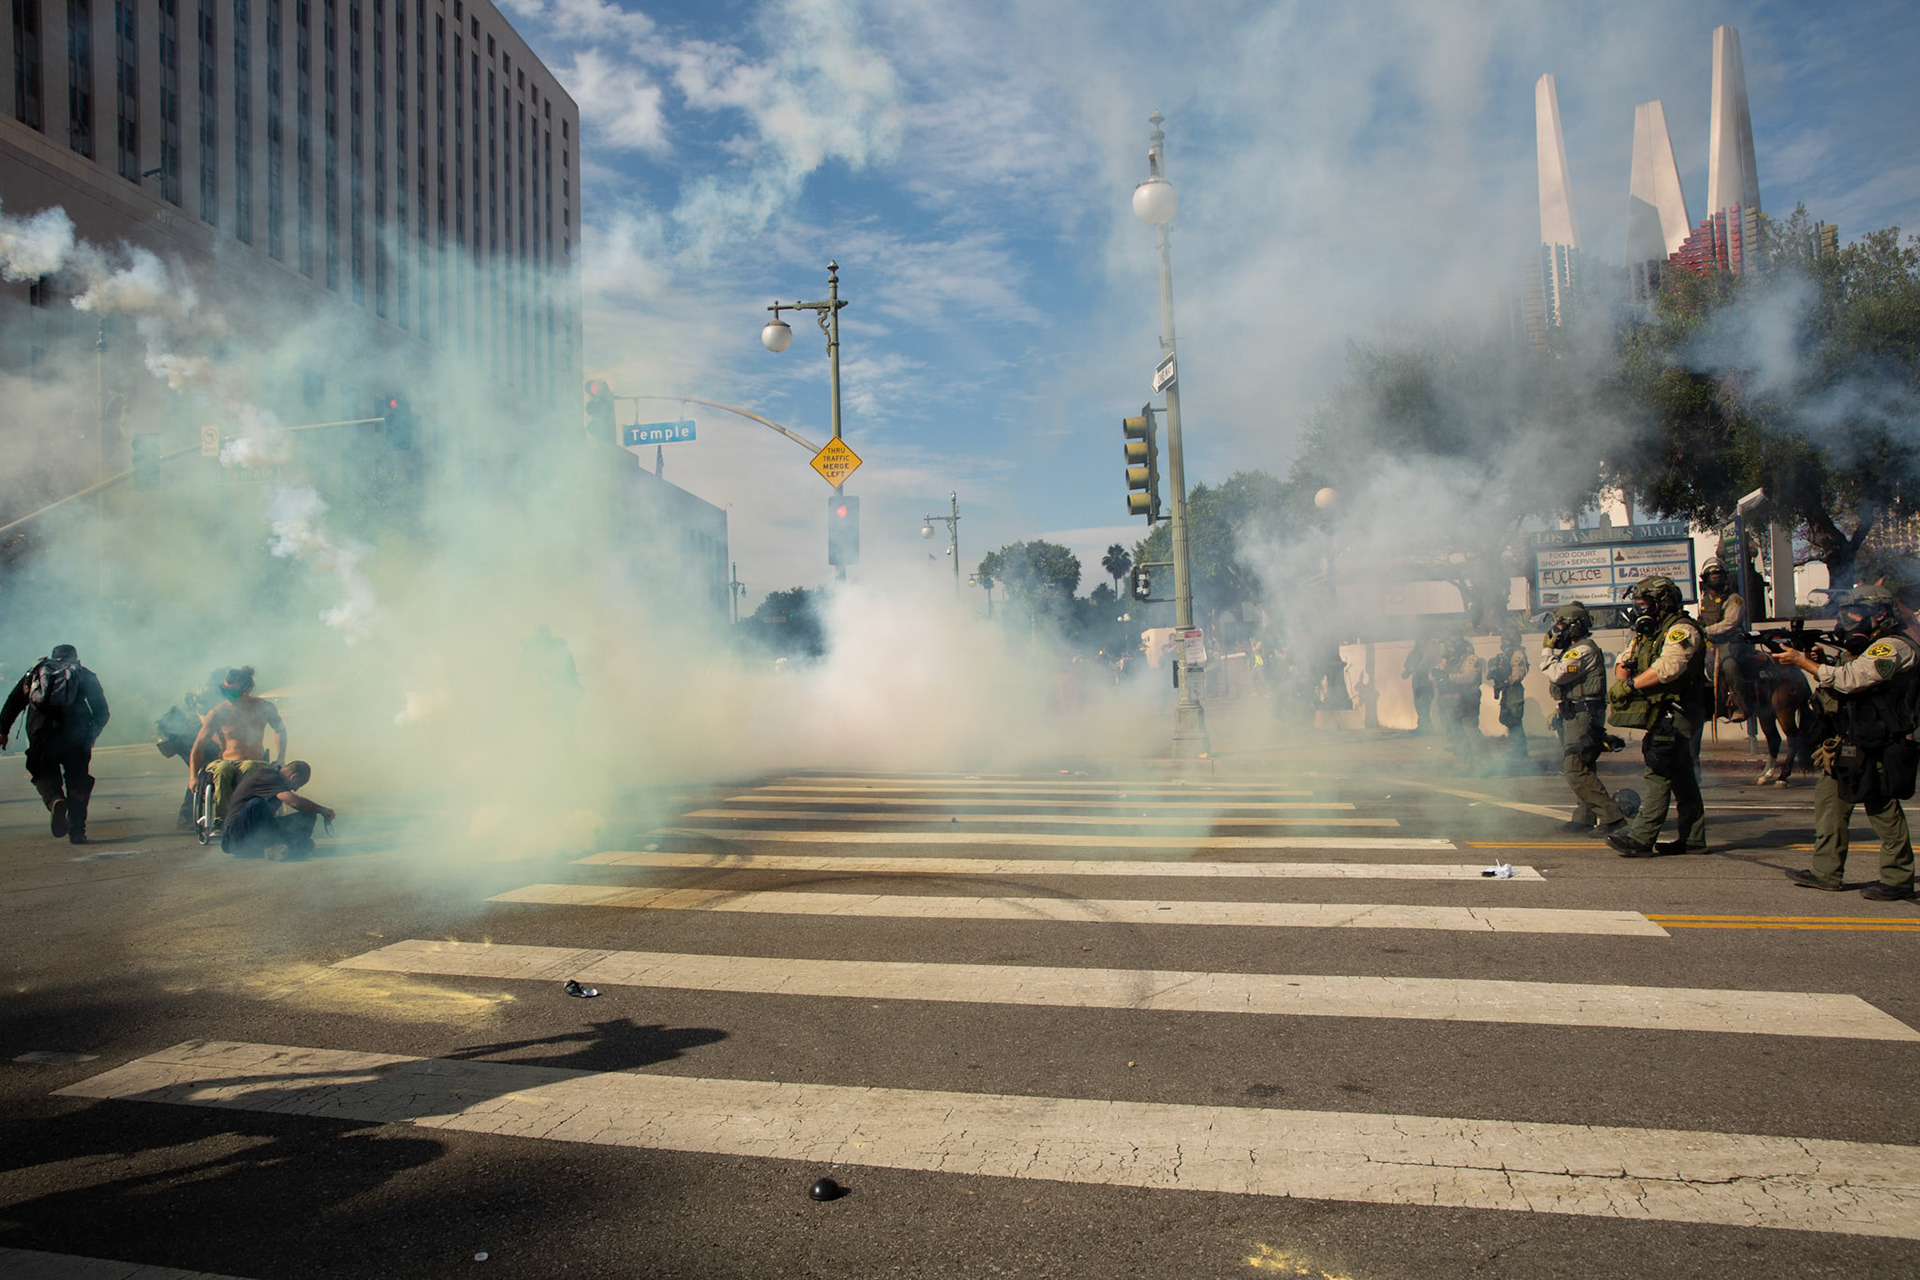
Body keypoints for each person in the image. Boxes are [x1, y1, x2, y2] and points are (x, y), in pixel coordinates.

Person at [1779, 586, 1920, 899]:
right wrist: (1820, 662)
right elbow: (1842, 679)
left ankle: (1898, 879)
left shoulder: (1893, 647)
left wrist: (1804, 663)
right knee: (1830, 802)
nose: (1847, 620)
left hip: (1881, 740)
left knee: (1881, 805)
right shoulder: (1869, 646)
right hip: (1851, 738)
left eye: (1854, 613)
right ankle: (1826, 872)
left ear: (1880, 614)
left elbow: (1853, 679)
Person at [1606, 576, 1710, 857]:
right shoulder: (1649, 631)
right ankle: (1693, 838)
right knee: (1682, 777)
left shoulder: (1681, 630)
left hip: (1678, 710)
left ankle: (1641, 837)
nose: (1641, 609)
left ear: (1663, 602)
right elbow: (1625, 658)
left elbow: (1670, 667)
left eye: (1645, 604)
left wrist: (1630, 685)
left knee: (1659, 771)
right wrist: (1622, 680)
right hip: (1661, 711)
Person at [0, 645, 111, 844]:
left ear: (53, 658)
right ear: (75, 658)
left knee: (42, 772)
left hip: (42, 734)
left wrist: (3, 730)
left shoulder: (35, 674)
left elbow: (13, 702)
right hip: (76, 737)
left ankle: (54, 800)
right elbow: (102, 711)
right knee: (78, 782)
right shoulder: (84, 675)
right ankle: (77, 830)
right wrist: (91, 735)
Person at [1540, 603, 1625, 837]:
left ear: (1574, 627)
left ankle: (1613, 818)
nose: (1556, 632)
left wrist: (1547, 650)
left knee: (1574, 766)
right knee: (1584, 764)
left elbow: (1557, 674)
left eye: (1561, 626)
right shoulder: (1575, 649)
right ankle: (1584, 817)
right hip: (1574, 712)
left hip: (1584, 714)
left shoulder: (1583, 650)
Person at [188, 667, 287, 824]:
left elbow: (280, 730)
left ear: (248, 688)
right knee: (222, 769)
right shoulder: (217, 712)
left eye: (232, 691)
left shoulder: (265, 707)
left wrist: (281, 758)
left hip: (255, 761)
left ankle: (247, 815)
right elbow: (199, 746)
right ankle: (223, 820)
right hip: (226, 761)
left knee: (248, 766)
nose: (228, 695)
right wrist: (193, 776)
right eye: (224, 690)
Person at [221, 759, 335, 859]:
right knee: (256, 804)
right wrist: (323, 810)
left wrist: (316, 811)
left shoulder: (276, 779)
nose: (296, 789)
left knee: (308, 815)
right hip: (234, 839)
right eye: (297, 784)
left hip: (258, 836)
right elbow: (294, 801)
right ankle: (278, 846)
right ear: (293, 777)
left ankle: (289, 846)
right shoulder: (268, 777)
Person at [1698, 563, 1756, 722]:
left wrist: (1706, 631)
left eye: (1719, 576)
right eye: (1712, 577)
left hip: (1731, 642)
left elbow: (1730, 623)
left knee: (1729, 666)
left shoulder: (1734, 599)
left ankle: (1741, 705)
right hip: (1709, 642)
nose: (1716, 580)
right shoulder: (1705, 597)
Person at [1430, 624, 1484, 774]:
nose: (1446, 646)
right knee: (1458, 734)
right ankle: (1466, 766)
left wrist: (1449, 677)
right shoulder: (1445, 659)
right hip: (1452, 702)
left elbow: (1470, 677)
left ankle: (1486, 765)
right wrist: (1438, 674)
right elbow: (1434, 675)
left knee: (1471, 732)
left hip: (1468, 700)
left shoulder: (1471, 658)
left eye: (1448, 642)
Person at [1491, 624, 1530, 761]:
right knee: (1507, 718)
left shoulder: (1517, 654)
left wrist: (1506, 682)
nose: (1503, 641)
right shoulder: (1505, 654)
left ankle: (1520, 752)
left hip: (1513, 690)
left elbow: (1517, 674)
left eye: (1506, 639)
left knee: (1514, 720)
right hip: (1506, 690)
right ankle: (1516, 749)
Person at [1402, 629, 1434, 734]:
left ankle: (1426, 728)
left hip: (1426, 681)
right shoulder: (1414, 650)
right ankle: (1423, 727)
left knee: (1424, 705)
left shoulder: (1430, 649)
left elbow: (1425, 664)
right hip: (1417, 682)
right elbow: (1408, 663)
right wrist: (1408, 670)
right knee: (1419, 705)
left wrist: (1414, 669)